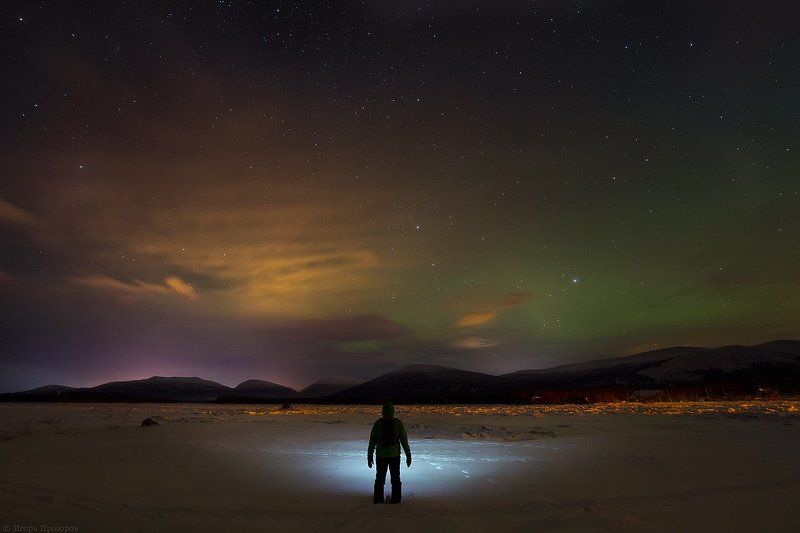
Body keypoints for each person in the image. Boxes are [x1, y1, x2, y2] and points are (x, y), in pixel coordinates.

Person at [367, 402, 411, 504]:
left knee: (379, 479)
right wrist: (408, 455)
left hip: (381, 455)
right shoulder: (397, 423)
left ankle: (378, 500)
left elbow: (372, 441)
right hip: (394, 455)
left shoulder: (378, 424)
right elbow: (404, 440)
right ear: (393, 412)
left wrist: (369, 455)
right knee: (395, 478)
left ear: (383, 412)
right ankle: (396, 500)